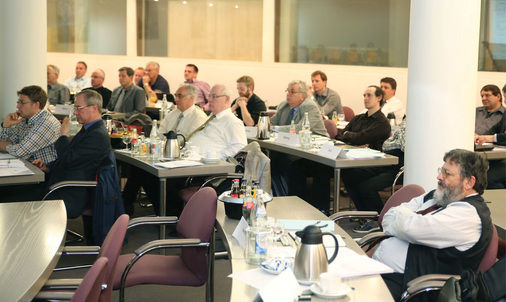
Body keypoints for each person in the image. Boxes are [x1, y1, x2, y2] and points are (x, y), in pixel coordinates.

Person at [373, 149, 493, 301]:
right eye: (441, 170)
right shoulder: (441, 195)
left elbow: (410, 229)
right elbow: (390, 214)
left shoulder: (468, 214)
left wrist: (404, 220)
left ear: (469, 182)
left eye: (447, 173)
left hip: (412, 286)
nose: (439, 177)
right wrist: (404, 222)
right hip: (385, 270)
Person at [342, 119, 406, 233]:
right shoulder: (405, 125)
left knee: (366, 187)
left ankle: (378, 220)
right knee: (349, 173)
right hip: (385, 162)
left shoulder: (414, 127)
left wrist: (405, 126)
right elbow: (386, 144)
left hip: (400, 169)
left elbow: (403, 145)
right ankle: (365, 215)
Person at [0, 85, 60, 163]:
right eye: (18, 102)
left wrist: (7, 146)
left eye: (22, 102)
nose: (17, 106)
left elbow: (19, 151)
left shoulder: (46, 122)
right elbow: (6, 143)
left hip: (43, 172)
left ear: (36, 105)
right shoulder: (25, 120)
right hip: (25, 166)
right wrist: (6, 125)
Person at [188, 84, 248, 159]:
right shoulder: (212, 118)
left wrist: (212, 157)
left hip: (208, 166)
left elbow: (239, 148)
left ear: (226, 99)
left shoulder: (232, 122)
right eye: (209, 96)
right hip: (191, 158)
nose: (209, 100)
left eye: (214, 96)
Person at [336, 85, 391, 151]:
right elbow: (339, 136)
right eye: (364, 95)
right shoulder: (357, 118)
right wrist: (355, 144)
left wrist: (346, 134)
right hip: (351, 153)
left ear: (379, 98)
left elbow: (360, 138)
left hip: (370, 159)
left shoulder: (382, 123)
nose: (365, 98)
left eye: (369, 95)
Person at [475, 113, 506, 189]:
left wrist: (492, 138)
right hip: (501, 158)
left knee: (486, 178)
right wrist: (480, 137)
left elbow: (498, 137)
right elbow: (495, 128)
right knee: (478, 171)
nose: (504, 101)